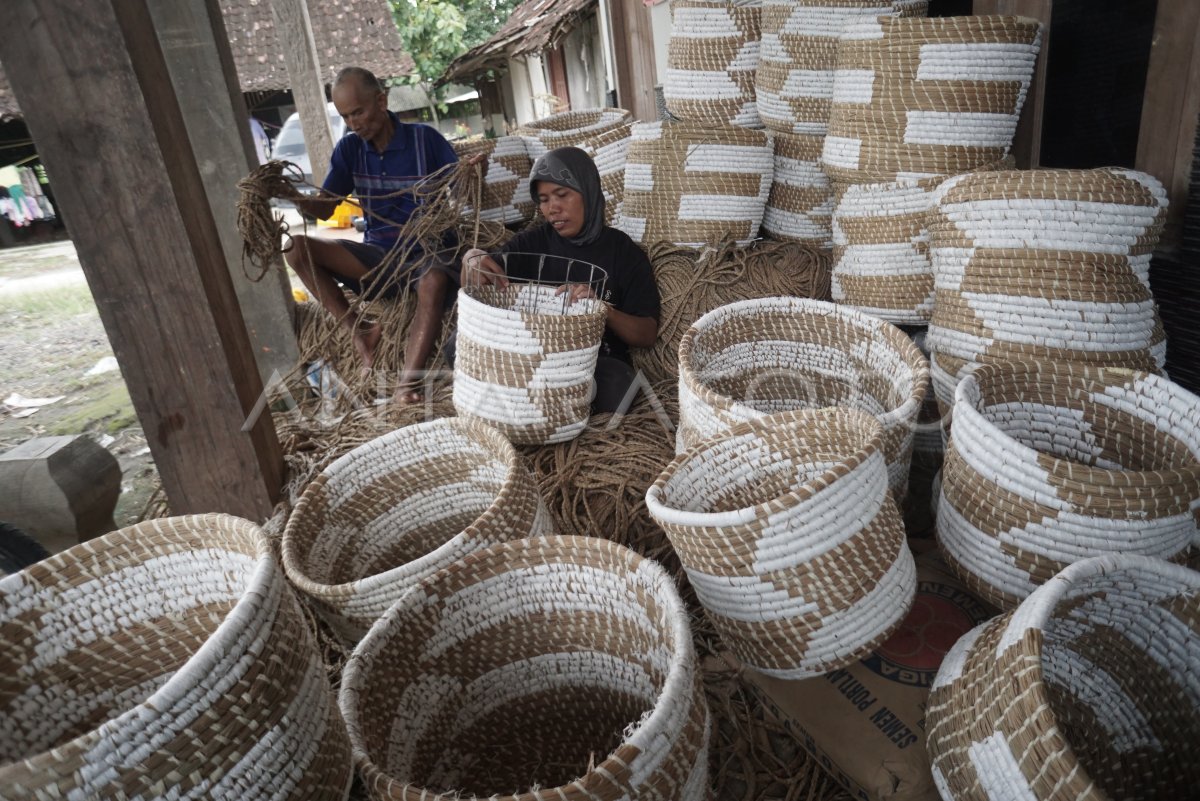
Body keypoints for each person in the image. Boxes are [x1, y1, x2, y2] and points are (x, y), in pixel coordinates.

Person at [287, 66, 473, 402]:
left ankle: (407, 383)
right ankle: (361, 331)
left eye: (358, 111)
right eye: (346, 116)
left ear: (382, 101)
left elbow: (462, 194)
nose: (353, 123)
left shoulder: (425, 140)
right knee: (296, 249)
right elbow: (326, 209)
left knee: (432, 281)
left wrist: (471, 175)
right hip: (378, 258)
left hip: (427, 254)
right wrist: (291, 195)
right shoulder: (349, 150)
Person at [460, 146, 660, 413]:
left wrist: (603, 310)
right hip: (530, 357)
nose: (552, 208)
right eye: (543, 200)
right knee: (456, 348)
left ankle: (531, 399)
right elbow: (482, 283)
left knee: (620, 386)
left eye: (562, 195)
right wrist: (472, 258)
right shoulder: (533, 242)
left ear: (588, 192)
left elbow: (646, 333)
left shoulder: (623, 252)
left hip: (590, 362)